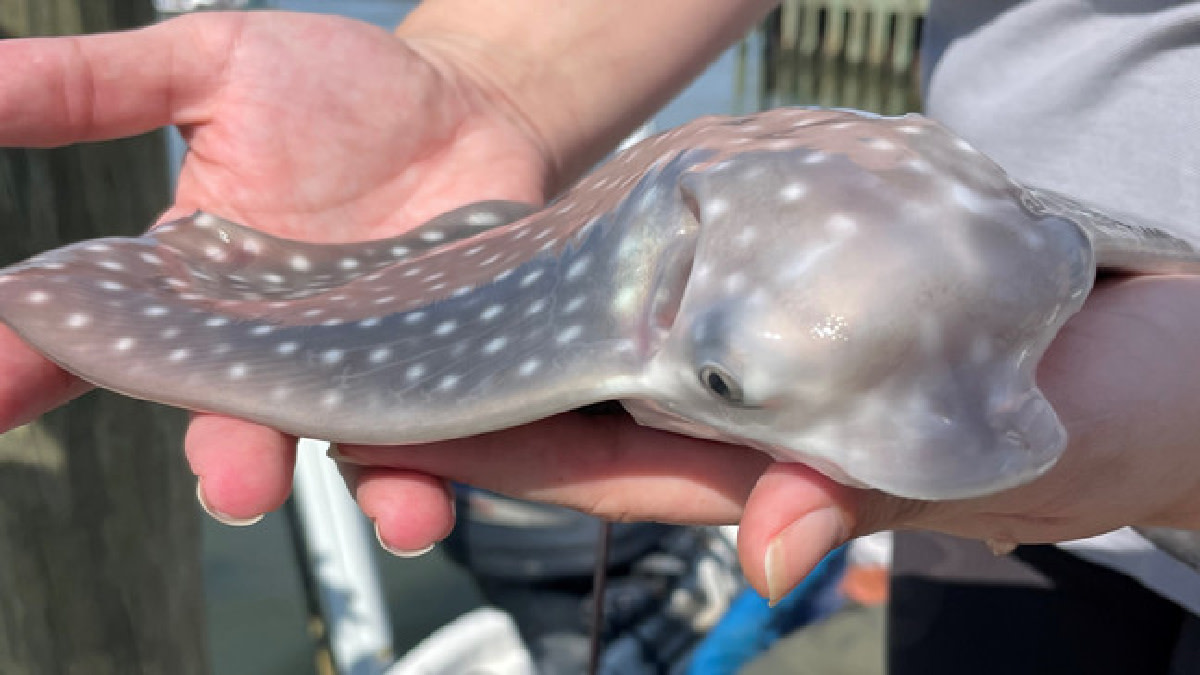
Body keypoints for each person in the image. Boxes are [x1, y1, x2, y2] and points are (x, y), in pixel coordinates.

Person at [0, 1, 1198, 670]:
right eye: (733, 378)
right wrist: (487, 76)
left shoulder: (1046, 258)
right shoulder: (656, 274)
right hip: (1040, 574)